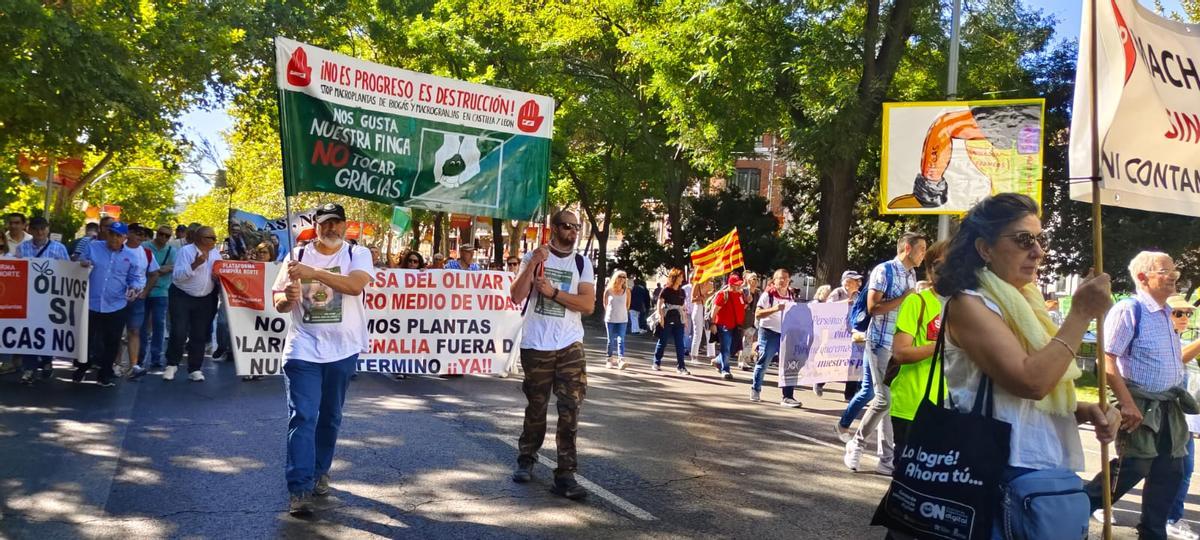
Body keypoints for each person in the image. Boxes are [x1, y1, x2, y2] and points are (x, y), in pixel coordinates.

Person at [935, 193, 1117, 538]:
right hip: (999, 474)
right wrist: (1080, 314)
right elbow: (1030, 382)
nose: (1037, 251)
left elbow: (1024, 402)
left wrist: (1081, 409)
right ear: (984, 249)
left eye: (1040, 239)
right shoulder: (968, 304)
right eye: (1023, 240)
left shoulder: (1027, 302)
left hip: (1045, 472)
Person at [1084, 251, 1198, 540]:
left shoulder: (1164, 314)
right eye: (1164, 271)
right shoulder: (1129, 309)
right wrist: (1127, 403)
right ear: (1143, 277)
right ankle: (1076, 506)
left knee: (1170, 471)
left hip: (1167, 407)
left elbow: (1172, 361)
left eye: (1174, 272)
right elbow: (1105, 358)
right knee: (1134, 465)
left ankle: (1153, 533)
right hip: (1140, 404)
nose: (1173, 276)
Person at [271, 203, 373, 516]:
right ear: (315, 225)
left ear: (346, 226)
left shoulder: (357, 254)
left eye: (337, 224)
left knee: (330, 417)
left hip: (343, 350)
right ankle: (299, 487)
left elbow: (355, 286)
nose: (331, 229)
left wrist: (313, 274)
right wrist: (286, 300)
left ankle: (319, 471)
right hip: (303, 349)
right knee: (303, 416)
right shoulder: (296, 256)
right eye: (325, 223)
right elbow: (278, 301)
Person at [509, 210, 595, 501]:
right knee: (537, 406)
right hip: (536, 344)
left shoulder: (582, 263)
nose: (573, 231)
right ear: (554, 228)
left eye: (576, 227)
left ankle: (565, 474)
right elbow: (516, 296)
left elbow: (587, 304)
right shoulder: (536, 258)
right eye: (567, 226)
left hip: (570, 344)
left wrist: (553, 292)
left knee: (570, 409)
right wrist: (532, 264)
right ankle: (526, 458)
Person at [842, 232, 926, 473]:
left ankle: (886, 460)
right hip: (879, 342)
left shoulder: (911, 274)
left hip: (898, 345)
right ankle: (856, 445)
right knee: (883, 399)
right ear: (907, 248)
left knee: (889, 403)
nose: (924, 254)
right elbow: (873, 308)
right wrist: (904, 298)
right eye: (921, 249)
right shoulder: (884, 270)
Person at [885, 240, 948, 456]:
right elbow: (901, 352)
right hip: (912, 405)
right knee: (906, 479)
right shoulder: (917, 302)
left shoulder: (965, 306)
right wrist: (941, 346)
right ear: (932, 269)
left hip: (948, 408)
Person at [75, 222, 146, 387]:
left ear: (124, 238)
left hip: (116, 304)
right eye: (112, 234)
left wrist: (135, 288)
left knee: (112, 341)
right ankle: (81, 367)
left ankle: (104, 373)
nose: (114, 238)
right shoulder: (93, 247)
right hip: (90, 303)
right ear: (107, 234)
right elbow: (79, 261)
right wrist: (82, 262)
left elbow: (135, 278)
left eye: (118, 235)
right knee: (85, 337)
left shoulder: (131, 256)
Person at [16, 217, 71, 385]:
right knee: (28, 331)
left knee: (47, 331)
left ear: (47, 229)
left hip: (50, 299)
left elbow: (68, 272)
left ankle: (47, 360)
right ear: (30, 230)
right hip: (29, 299)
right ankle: (29, 368)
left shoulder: (59, 248)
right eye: (36, 229)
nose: (40, 232)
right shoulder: (22, 248)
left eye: (43, 229)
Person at [164, 225, 221, 382]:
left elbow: (219, 276)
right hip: (182, 295)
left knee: (199, 334)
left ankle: (195, 368)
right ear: (200, 239)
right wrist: (195, 264)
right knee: (179, 331)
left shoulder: (216, 254)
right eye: (211, 238)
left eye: (215, 238)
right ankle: (172, 364)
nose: (215, 241)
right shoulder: (186, 251)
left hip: (206, 298)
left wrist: (219, 277)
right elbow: (177, 277)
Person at [1166, 294, 1200, 540]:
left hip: (1181, 419)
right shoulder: (1165, 341)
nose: (1185, 318)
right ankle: (1100, 502)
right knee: (1133, 467)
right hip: (1159, 413)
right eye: (1179, 313)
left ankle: (1171, 517)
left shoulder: (1179, 340)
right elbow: (1178, 361)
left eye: (1188, 313)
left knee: (1184, 469)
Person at [750, 269, 799, 406]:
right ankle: (756, 389)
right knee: (764, 361)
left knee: (788, 364)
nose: (783, 281)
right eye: (780, 278)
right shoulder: (768, 294)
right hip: (769, 331)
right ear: (774, 280)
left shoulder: (790, 295)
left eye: (786, 278)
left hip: (785, 333)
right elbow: (758, 313)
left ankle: (788, 396)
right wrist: (775, 309)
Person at [133, 225, 176, 377]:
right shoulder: (145, 247)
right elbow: (141, 266)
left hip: (161, 291)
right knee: (141, 326)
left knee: (159, 323)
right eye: (161, 234)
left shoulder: (171, 250)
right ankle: (139, 357)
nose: (163, 238)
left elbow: (173, 266)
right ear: (157, 234)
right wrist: (160, 270)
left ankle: (156, 358)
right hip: (143, 290)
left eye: (167, 236)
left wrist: (157, 270)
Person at [120, 225, 161, 377]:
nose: (140, 236)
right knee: (117, 332)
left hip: (137, 298)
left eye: (143, 235)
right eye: (137, 233)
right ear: (128, 234)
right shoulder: (118, 248)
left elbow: (154, 274)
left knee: (134, 330)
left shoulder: (146, 253)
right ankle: (116, 363)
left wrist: (145, 293)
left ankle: (133, 364)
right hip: (116, 297)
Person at [653, 268, 691, 375]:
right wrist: (660, 317)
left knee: (680, 343)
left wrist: (685, 319)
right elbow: (659, 304)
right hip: (667, 318)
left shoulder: (682, 291)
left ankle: (681, 366)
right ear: (674, 278)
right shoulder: (666, 290)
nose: (682, 279)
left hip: (679, 320)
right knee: (663, 341)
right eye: (680, 277)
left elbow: (683, 306)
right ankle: (656, 362)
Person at [711, 274, 746, 381]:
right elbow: (715, 309)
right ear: (731, 284)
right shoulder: (723, 294)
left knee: (733, 348)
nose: (738, 286)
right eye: (736, 284)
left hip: (736, 326)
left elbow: (742, 306)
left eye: (739, 284)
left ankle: (717, 360)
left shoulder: (740, 294)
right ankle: (725, 370)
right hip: (724, 325)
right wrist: (713, 323)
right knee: (725, 348)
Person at [603, 271, 631, 370]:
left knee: (621, 339)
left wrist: (622, 313)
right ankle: (609, 359)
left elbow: (627, 305)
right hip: (610, 319)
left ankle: (621, 359)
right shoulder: (608, 290)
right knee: (610, 340)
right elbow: (605, 304)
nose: (622, 279)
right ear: (615, 277)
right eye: (620, 276)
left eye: (624, 277)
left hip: (622, 319)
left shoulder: (627, 291)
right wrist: (610, 313)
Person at [738, 272, 762, 371]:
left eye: (756, 279)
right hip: (742, 320)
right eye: (753, 279)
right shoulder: (743, 291)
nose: (756, 281)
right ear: (748, 280)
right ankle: (739, 360)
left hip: (752, 321)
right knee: (740, 341)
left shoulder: (757, 293)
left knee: (748, 341)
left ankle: (744, 361)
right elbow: (739, 305)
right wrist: (746, 302)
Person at [688, 279, 713, 360]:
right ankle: (694, 355)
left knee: (709, 332)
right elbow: (692, 299)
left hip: (707, 309)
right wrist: (703, 296)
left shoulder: (711, 285)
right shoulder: (697, 284)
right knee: (698, 333)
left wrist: (710, 295)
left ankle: (711, 355)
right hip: (698, 308)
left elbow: (712, 298)